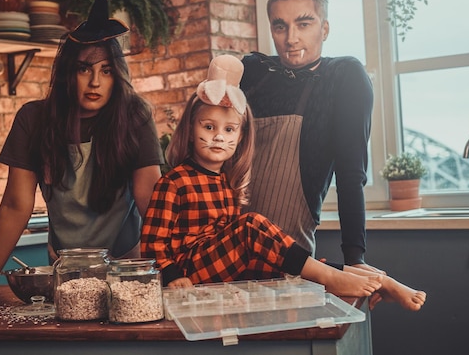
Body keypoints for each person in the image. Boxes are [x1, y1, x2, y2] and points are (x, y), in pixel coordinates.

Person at [141, 55, 426, 311]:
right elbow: (153, 243)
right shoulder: (175, 181)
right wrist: (173, 275)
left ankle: (378, 280)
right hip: (191, 272)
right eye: (208, 127)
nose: (218, 137)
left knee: (286, 270)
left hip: (225, 272)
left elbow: (229, 243)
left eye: (229, 129)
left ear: (240, 137)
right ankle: (331, 278)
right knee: (252, 225)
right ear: (190, 130)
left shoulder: (226, 184)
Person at [0, 0, 163, 290]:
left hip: (126, 264)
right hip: (65, 267)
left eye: (106, 71)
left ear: (118, 74)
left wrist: (170, 271)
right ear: (68, 72)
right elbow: (16, 206)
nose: (95, 82)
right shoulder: (33, 119)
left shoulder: (134, 114)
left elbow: (151, 202)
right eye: (85, 69)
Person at [240, 0, 375, 270]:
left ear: (324, 29)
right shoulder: (253, 72)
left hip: (289, 258)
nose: (291, 38)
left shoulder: (342, 76)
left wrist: (355, 258)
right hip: (224, 250)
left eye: (303, 24)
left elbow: (351, 175)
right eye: (280, 26)